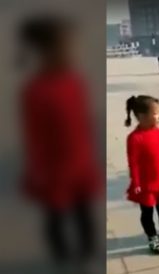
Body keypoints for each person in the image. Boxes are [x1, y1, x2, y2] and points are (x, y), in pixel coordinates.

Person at [19, 16, 102, 270]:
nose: (70, 51)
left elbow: (84, 125)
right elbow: (35, 137)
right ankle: (64, 262)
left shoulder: (73, 83)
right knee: (55, 218)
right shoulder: (36, 90)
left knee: (84, 217)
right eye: (64, 46)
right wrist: (40, 172)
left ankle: (84, 260)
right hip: (54, 170)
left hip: (81, 163)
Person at [125, 95, 159, 254]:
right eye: (155, 113)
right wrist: (136, 183)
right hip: (146, 183)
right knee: (147, 212)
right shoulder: (134, 138)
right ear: (141, 116)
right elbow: (133, 163)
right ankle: (152, 237)